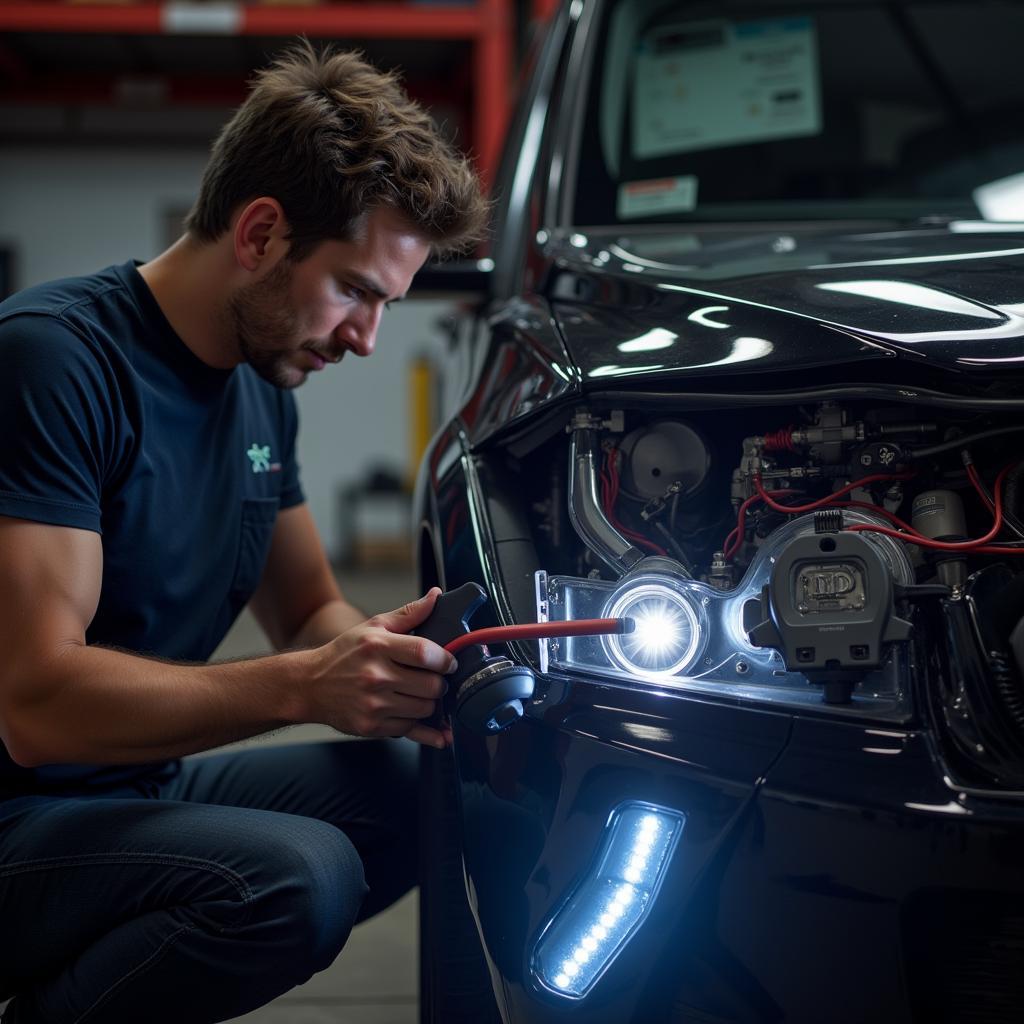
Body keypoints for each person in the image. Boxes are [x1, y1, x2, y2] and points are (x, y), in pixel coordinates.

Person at [0, 41, 488, 1024]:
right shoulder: (51, 362)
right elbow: (38, 706)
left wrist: (383, 663)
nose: (365, 338)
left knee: (412, 787)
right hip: (21, 808)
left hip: (130, 782)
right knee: (293, 876)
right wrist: (307, 685)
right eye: (355, 290)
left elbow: (307, 604)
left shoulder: (262, 390)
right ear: (261, 232)